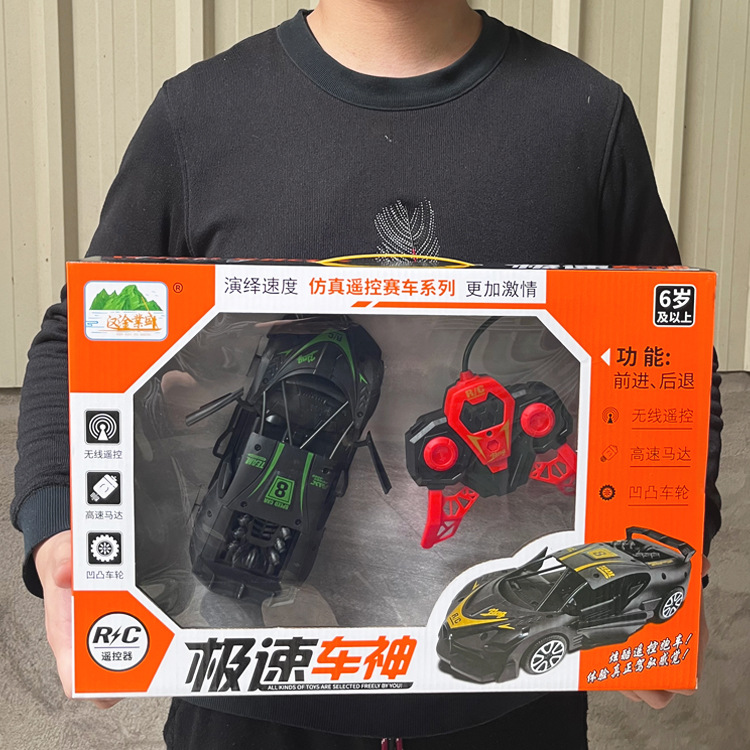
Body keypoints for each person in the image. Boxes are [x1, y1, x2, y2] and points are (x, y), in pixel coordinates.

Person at [12, 1, 722, 748]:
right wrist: (64, 535)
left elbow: (667, 352)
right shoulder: (200, 117)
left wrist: (675, 560)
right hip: (246, 687)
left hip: (507, 697)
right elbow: (81, 337)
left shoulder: (583, 120)